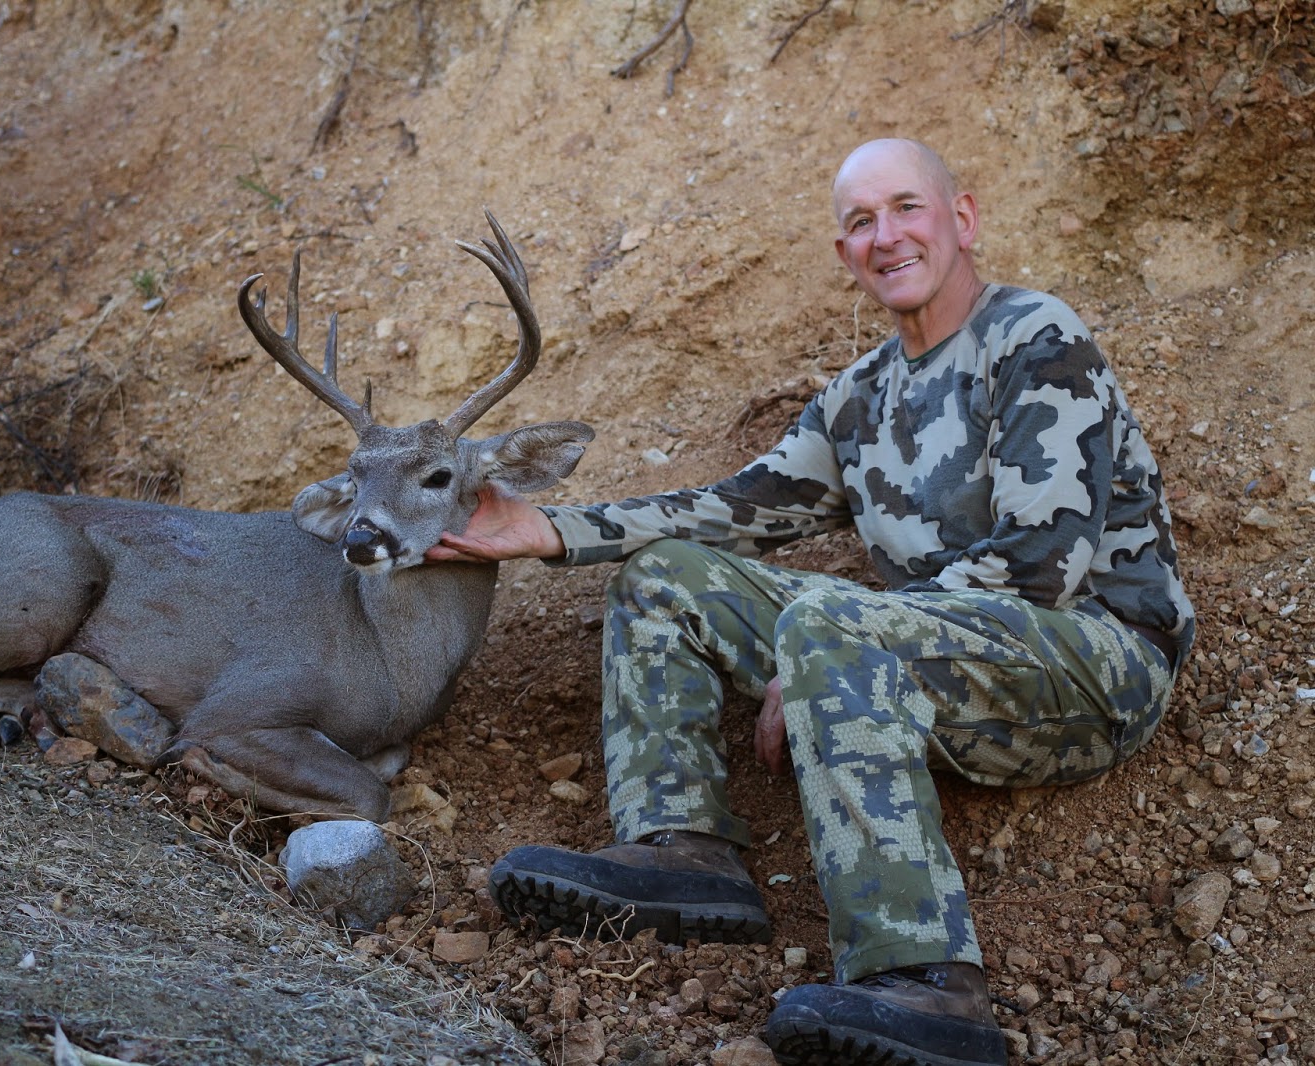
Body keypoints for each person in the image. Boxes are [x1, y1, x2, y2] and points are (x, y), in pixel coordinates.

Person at [426, 138, 1194, 1066]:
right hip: (935, 656)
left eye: (908, 208)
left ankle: (925, 983)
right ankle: (684, 857)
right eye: (861, 222)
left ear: (964, 218)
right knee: (668, 577)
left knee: (829, 621)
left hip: (1095, 661)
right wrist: (553, 531)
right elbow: (736, 511)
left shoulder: (1036, 339)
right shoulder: (858, 398)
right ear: (844, 254)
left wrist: (831, 639)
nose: (887, 236)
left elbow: (1042, 561)